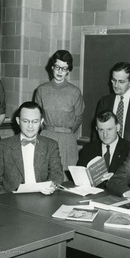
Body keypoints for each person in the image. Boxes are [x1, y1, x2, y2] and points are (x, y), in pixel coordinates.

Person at [0, 101, 64, 194]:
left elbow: (57, 173)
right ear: (18, 121)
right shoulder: (2, 146)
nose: (30, 126)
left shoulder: (51, 145)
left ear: (41, 122)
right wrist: (9, 199)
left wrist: (52, 186)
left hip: (43, 197)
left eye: (35, 121)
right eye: (25, 121)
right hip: (11, 200)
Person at [35, 50, 85, 180]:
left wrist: (66, 132)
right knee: (44, 176)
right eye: (57, 67)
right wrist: (47, 130)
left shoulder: (74, 92)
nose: (60, 72)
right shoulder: (41, 90)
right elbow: (37, 116)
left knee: (65, 179)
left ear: (68, 71)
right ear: (52, 67)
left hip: (67, 139)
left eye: (64, 68)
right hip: (46, 136)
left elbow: (78, 118)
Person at [77, 110, 130, 175]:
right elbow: (80, 176)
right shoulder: (88, 149)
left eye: (109, 129)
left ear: (118, 128)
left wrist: (116, 179)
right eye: (101, 130)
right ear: (96, 129)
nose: (105, 135)